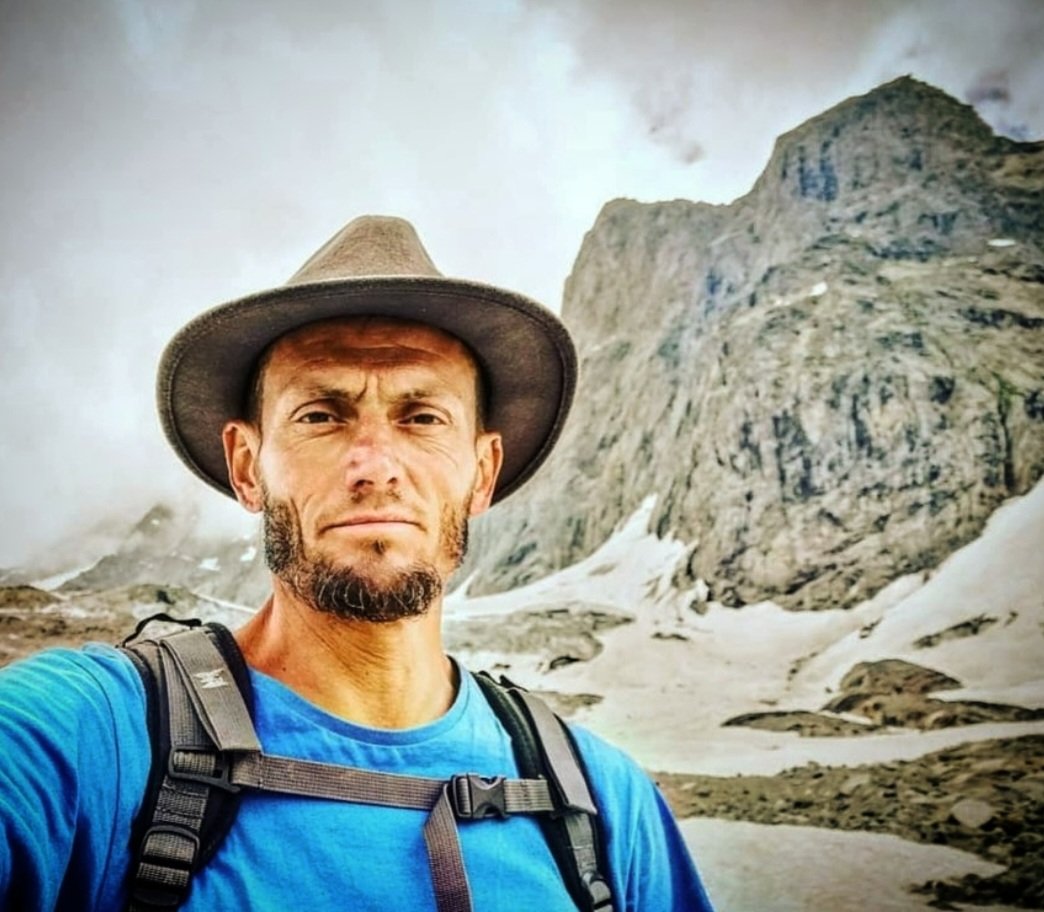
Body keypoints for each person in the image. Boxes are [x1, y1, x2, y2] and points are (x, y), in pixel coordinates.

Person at [0, 216, 714, 910]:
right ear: (247, 467)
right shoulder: (88, 738)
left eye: (422, 417)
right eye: (321, 414)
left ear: (483, 471)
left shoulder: (603, 804)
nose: (375, 466)